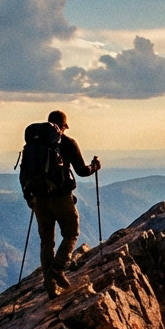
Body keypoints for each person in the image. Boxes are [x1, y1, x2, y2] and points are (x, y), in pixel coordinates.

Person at [29, 109, 100, 297]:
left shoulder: (33, 144)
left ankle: (51, 287)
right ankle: (58, 269)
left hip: (39, 200)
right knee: (71, 233)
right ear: (63, 126)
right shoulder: (68, 143)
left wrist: (30, 198)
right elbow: (82, 171)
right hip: (62, 198)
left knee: (47, 243)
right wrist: (95, 166)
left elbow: (26, 173)